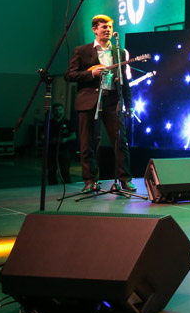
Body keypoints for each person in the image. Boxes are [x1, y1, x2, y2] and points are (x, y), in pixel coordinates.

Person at [65, 14, 134, 192]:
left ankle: (124, 179)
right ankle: (90, 181)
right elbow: (70, 75)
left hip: (112, 101)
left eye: (110, 27)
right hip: (88, 101)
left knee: (120, 141)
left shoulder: (119, 52)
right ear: (95, 29)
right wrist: (91, 74)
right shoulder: (82, 50)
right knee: (87, 143)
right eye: (104, 27)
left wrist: (129, 104)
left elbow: (125, 81)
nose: (108, 30)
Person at [45, 102, 76, 185]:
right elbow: (43, 136)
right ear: (53, 111)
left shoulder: (68, 123)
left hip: (64, 150)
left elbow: (74, 136)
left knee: (65, 170)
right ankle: (52, 186)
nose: (58, 111)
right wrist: (51, 140)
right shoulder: (49, 123)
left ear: (63, 110)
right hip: (52, 150)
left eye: (60, 109)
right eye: (56, 110)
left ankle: (67, 186)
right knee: (51, 170)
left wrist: (66, 139)